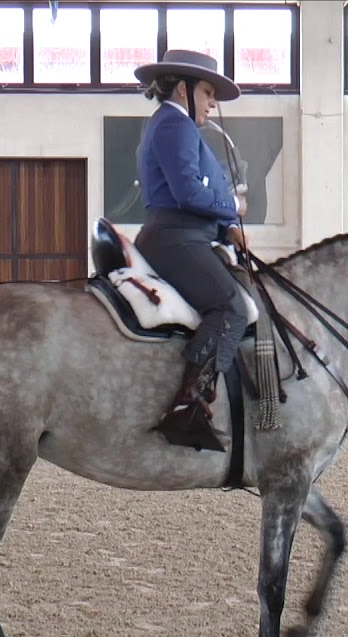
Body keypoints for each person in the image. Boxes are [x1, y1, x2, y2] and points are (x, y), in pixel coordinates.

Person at [132, 49, 248, 453]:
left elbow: (206, 190)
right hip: (176, 237)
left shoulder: (179, 126)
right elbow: (188, 192)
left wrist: (228, 225)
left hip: (192, 234)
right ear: (182, 89)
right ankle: (189, 405)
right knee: (231, 307)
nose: (213, 102)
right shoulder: (173, 125)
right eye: (208, 91)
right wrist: (232, 209)